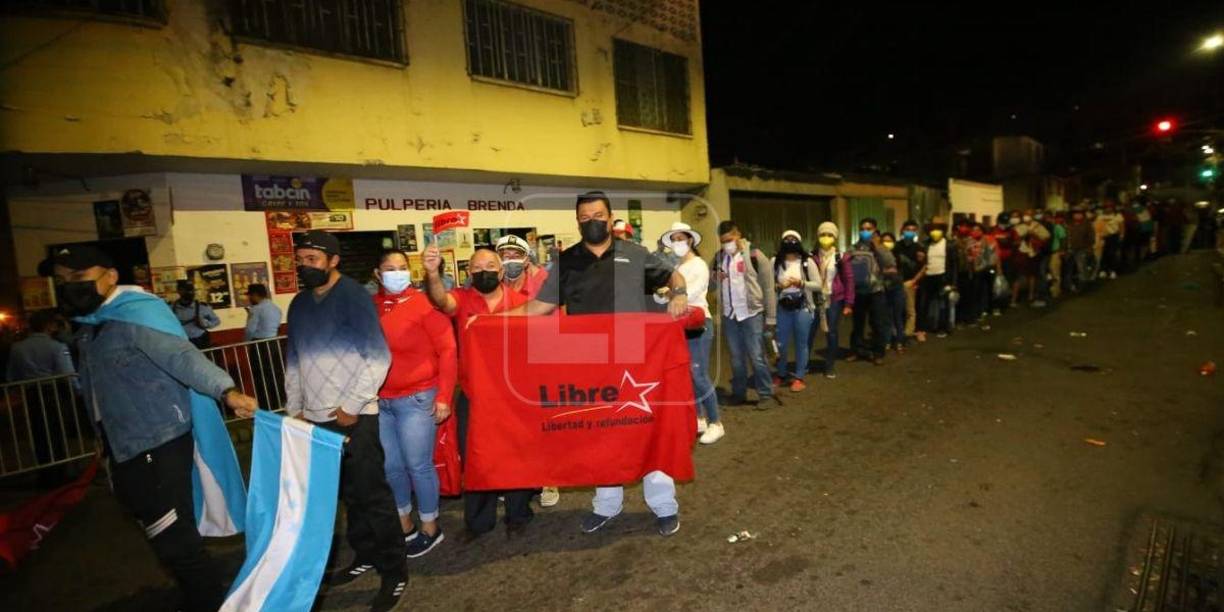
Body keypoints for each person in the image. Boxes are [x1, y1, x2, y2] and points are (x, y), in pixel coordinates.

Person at [51, 245, 257, 612]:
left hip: (157, 444)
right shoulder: (91, 328)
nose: (69, 286)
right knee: (163, 534)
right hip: (124, 448)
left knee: (175, 540)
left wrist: (227, 391)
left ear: (110, 276)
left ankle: (211, 602)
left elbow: (180, 355)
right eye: (62, 280)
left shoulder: (137, 316)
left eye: (79, 278)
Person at [510, 191, 690, 537]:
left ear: (610, 217)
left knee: (646, 432)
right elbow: (539, 307)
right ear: (577, 221)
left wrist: (679, 295)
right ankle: (607, 505)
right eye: (584, 216)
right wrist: (492, 321)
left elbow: (673, 277)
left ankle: (664, 506)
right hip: (588, 366)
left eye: (597, 215)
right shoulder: (566, 262)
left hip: (637, 365)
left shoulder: (635, 254)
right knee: (600, 437)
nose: (591, 221)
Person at [283, 230, 407, 612]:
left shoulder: (353, 297)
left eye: (313, 260)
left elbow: (378, 357)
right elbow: (294, 360)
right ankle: (364, 555)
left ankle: (395, 572)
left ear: (333, 260)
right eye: (301, 260)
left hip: (355, 417)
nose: (306, 267)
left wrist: (352, 405)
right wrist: (295, 407)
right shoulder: (299, 305)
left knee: (373, 494)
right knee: (347, 496)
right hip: (316, 418)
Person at [423, 243, 535, 539]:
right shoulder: (461, 298)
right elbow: (440, 301)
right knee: (475, 456)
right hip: (474, 395)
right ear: (468, 272)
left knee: (516, 455)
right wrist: (432, 274)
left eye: (490, 268)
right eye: (476, 268)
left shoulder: (521, 301)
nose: (483, 272)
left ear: (502, 271)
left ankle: (518, 514)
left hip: (513, 396)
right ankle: (478, 521)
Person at [372, 249, 456, 558]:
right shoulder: (371, 308)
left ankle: (431, 526)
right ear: (377, 275)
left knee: (417, 464)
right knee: (391, 465)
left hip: (418, 398)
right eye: (389, 268)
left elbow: (448, 350)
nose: (397, 272)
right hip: (380, 401)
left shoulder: (425, 304)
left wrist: (445, 396)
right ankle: (403, 521)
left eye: (402, 267)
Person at [661, 222, 724, 444]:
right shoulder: (676, 267)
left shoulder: (699, 265)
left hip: (699, 322)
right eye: (674, 239)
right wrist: (669, 294)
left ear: (689, 240)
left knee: (699, 373)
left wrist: (671, 294)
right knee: (688, 373)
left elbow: (691, 293)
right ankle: (699, 418)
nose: (678, 243)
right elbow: (665, 295)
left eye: (681, 238)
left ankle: (716, 422)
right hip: (681, 324)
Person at [6, 309, 78, 485]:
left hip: (31, 393)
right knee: (56, 432)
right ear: (49, 326)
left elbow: (11, 376)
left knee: (38, 432)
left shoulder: (17, 348)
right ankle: (60, 472)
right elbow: (66, 373)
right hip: (52, 392)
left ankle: (45, 473)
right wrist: (78, 391)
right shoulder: (57, 347)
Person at [712, 220, 778, 407]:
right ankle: (739, 393)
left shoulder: (755, 255)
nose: (727, 244)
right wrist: (714, 279)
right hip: (730, 315)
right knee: (736, 358)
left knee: (757, 356)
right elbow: (709, 285)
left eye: (730, 239)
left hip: (752, 314)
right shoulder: (718, 258)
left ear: (738, 234)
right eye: (723, 241)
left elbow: (768, 287)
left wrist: (771, 317)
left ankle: (765, 394)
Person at [771, 230, 821, 391]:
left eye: (793, 239)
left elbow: (819, 284)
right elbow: (768, 286)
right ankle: (781, 373)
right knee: (781, 344)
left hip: (802, 307)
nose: (790, 241)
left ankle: (799, 377)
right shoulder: (775, 262)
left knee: (801, 343)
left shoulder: (807, 262)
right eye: (787, 239)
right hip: (783, 307)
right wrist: (779, 286)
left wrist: (801, 283)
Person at [847, 218, 896, 364]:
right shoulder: (853, 248)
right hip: (859, 291)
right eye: (862, 228)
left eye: (868, 229)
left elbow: (891, 264)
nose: (865, 231)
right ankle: (857, 350)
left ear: (875, 230)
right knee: (858, 324)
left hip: (876, 291)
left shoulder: (881, 248)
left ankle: (878, 353)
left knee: (878, 323)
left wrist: (878, 246)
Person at [810, 222, 854, 379]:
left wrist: (848, 303)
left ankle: (830, 365)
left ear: (835, 238)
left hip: (834, 299)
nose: (826, 238)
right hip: (816, 299)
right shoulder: (811, 256)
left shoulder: (841, 257)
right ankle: (805, 364)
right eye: (823, 234)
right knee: (810, 331)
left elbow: (848, 280)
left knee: (832, 333)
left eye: (829, 235)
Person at [243, 283, 284, 411]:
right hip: (274, 343)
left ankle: (266, 405)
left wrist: (246, 342)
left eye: (250, 295)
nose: (249, 298)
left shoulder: (256, 309)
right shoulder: (276, 308)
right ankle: (279, 402)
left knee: (261, 376)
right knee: (276, 374)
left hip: (259, 345)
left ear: (255, 295)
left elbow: (250, 330)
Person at [919, 220, 957, 337]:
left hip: (943, 277)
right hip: (928, 277)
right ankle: (923, 327)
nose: (935, 232)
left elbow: (954, 264)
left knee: (943, 304)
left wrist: (953, 282)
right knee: (925, 303)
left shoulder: (949, 245)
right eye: (932, 230)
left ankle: (942, 327)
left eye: (938, 229)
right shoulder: (926, 244)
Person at [893, 220, 925, 342]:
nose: (910, 232)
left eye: (913, 230)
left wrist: (914, 281)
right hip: (898, 282)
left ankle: (916, 331)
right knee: (899, 308)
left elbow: (924, 267)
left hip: (914, 282)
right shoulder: (897, 246)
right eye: (908, 230)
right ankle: (900, 332)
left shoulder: (919, 248)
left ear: (916, 232)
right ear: (902, 230)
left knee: (915, 308)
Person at [1012, 212, 1050, 307]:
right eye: (1025, 215)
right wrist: (1023, 235)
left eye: (1028, 215)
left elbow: (1046, 236)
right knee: (1019, 275)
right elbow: (1015, 238)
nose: (1026, 216)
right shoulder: (1020, 226)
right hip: (1021, 252)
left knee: (1032, 275)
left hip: (1033, 252)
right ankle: (1015, 297)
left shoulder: (1037, 226)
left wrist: (1034, 234)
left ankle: (1031, 295)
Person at [496, 234, 548, 299]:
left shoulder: (540, 286)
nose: (512, 259)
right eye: (506, 256)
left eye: (517, 256)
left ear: (526, 261)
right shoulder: (495, 286)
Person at [879, 232, 908, 351]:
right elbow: (878, 270)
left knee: (898, 316)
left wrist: (886, 271)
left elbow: (899, 271)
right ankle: (887, 341)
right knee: (887, 317)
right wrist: (887, 271)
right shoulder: (878, 255)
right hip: (884, 288)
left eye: (890, 241)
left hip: (897, 288)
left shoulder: (899, 256)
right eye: (884, 241)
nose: (887, 243)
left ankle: (899, 341)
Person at [171, 280, 220, 349]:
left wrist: (205, 323)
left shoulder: (202, 307)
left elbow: (216, 321)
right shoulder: (171, 308)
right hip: (181, 343)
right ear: (179, 291)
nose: (190, 292)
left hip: (200, 342)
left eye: (192, 290)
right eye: (186, 290)